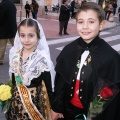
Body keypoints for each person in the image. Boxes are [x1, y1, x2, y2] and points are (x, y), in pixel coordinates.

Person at [51, 2, 120, 120]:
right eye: (81, 22)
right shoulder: (69, 50)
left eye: (91, 22)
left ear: (101, 25)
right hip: (68, 112)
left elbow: (112, 95)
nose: (85, 26)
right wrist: (56, 108)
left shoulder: (111, 57)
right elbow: (60, 82)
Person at [5, 18, 55, 120]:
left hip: (35, 106)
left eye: (31, 35)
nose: (26, 40)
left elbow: (49, 87)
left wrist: (53, 109)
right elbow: (15, 81)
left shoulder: (42, 59)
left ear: (38, 36)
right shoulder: (15, 56)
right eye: (22, 35)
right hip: (16, 104)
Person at [0, 0, 17, 65]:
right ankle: (18, 58)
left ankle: (0, 60)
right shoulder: (12, 4)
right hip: (12, 28)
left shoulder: (2, 4)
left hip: (4, 29)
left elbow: (1, 17)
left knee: (2, 46)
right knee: (15, 45)